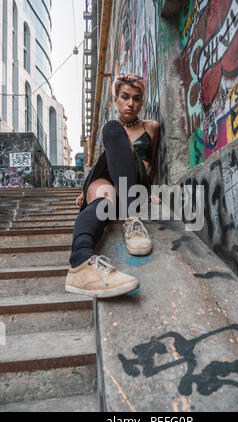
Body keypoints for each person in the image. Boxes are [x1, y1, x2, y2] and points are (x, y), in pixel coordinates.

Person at [65, 73, 160, 299]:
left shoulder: (152, 127)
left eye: (136, 98)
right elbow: (103, 161)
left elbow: (152, 166)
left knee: (112, 131)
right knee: (101, 199)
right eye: (125, 97)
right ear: (115, 99)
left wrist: (151, 190)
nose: (131, 104)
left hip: (134, 183)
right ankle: (80, 261)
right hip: (108, 180)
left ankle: (131, 219)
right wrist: (83, 191)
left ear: (141, 101)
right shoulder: (111, 131)